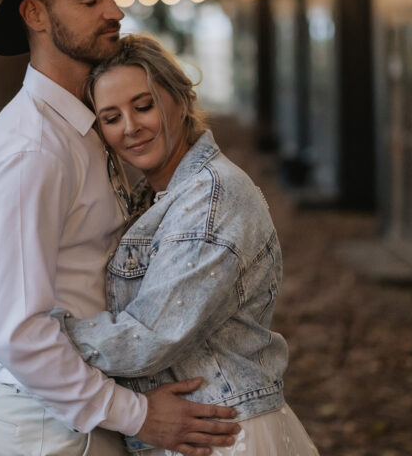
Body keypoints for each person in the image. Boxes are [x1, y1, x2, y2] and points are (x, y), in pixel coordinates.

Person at [0, 0, 240, 456]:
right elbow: (17, 333)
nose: (115, 12)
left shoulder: (84, 123)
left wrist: (4, 288)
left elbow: (52, 268)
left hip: (81, 413)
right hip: (54, 430)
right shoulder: (32, 149)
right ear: (35, 14)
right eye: (90, 2)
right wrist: (139, 417)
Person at [49, 35, 322, 455]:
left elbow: (150, 336)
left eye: (143, 106)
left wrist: (40, 328)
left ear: (179, 98)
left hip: (227, 435)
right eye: (111, 117)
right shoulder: (150, 198)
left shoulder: (211, 198)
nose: (130, 127)